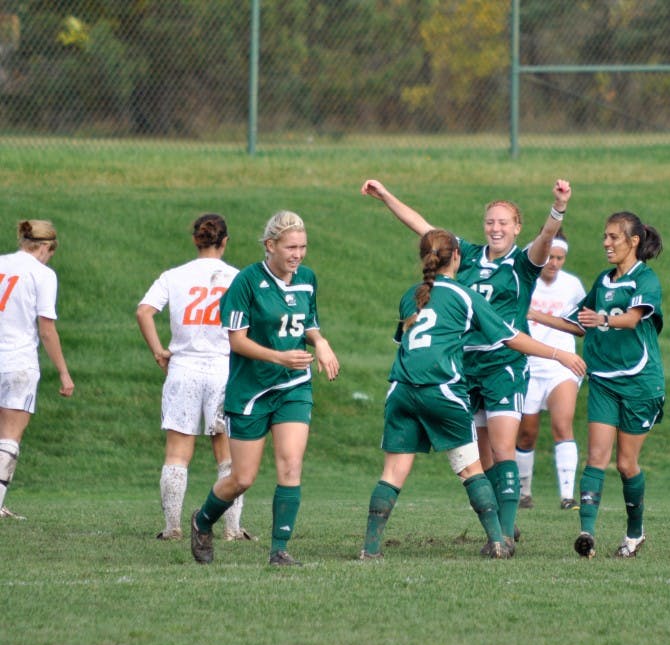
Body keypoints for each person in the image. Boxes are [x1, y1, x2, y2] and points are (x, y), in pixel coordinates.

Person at [361, 178, 569, 549]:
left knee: (504, 449)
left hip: (504, 364)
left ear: (517, 226)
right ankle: (503, 522)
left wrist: (558, 209)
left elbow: (545, 239)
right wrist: (387, 196)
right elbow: (423, 228)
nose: (496, 228)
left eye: (504, 222)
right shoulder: (467, 254)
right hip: (464, 369)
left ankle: (502, 536)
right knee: (482, 459)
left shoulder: (522, 263)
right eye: (491, 221)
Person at [189, 210, 339, 566]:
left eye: (303, 247)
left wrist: (320, 342)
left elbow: (308, 323)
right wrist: (278, 357)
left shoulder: (307, 279)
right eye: (290, 247)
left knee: (291, 464)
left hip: (293, 387)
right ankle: (202, 520)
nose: (297, 254)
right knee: (242, 478)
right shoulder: (246, 282)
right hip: (252, 390)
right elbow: (237, 341)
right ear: (270, 245)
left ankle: (279, 550)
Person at [531, 212, 665, 558]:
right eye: (604, 237)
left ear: (633, 241)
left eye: (613, 238)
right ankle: (586, 532)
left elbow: (633, 319)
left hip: (639, 382)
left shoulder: (645, 280)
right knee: (595, 458)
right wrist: (530, 314)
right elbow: (578, 323)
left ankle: (635, 534)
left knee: (625, 464)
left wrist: (603, 318)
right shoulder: (603, 281)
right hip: (603, 379)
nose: (606, 243)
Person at [137, 213, 253, 542]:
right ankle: (232, 529)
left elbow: (144, 311)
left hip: (183, 368)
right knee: (228, 452)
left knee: (177, 452)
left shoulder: (174, 276)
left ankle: (172, 527)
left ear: (195, 239)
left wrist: (159, 350)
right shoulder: (239, 278)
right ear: (225, 241)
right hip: (223, 368)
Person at [0, 220, 74, 519]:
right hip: (17, 361)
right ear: (45, 247)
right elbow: (46, 329)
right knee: (10, 434)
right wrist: (64, 372)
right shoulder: (42, 274)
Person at [517, 231, 586, 510]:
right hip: (529, 364)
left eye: (560, 258)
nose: (554, 263)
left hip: (562, 366)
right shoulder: (524, 280)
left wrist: (538, 316)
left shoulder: (572, 286)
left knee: (562, 424)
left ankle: (567, 496)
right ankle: (524, 493)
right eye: (550, 257)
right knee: (527, 433)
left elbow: (581, 326)